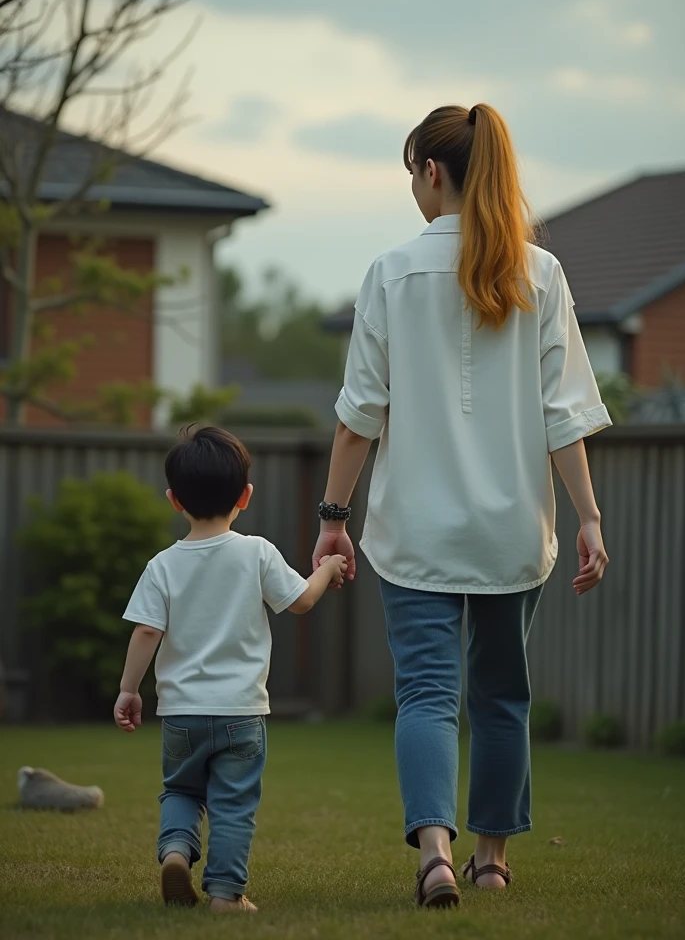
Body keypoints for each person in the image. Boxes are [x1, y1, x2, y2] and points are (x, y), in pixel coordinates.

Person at [313, 104, 611, 909]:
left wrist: (332, 519)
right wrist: (586, 518)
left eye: (412, 171)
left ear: (432, 173)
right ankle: (491, 862)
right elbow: (566, 417)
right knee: (501, 699)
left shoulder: (390, 273)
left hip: (415, 535)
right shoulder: (541, 274)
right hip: (514, 532)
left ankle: (433, 856)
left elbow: (357, 418)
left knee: (427, 697)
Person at [114, 425, 347, 913]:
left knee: (180, 789)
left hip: (182, 714)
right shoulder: (256, 552)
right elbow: (301, 602)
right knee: (233, 805)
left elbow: (145, 633)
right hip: (242, 714)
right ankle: (225, 894)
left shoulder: (162, 566)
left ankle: (176, 851)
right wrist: (325, 570)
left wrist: (129, 689)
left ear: (174, 500)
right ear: (245, 495)